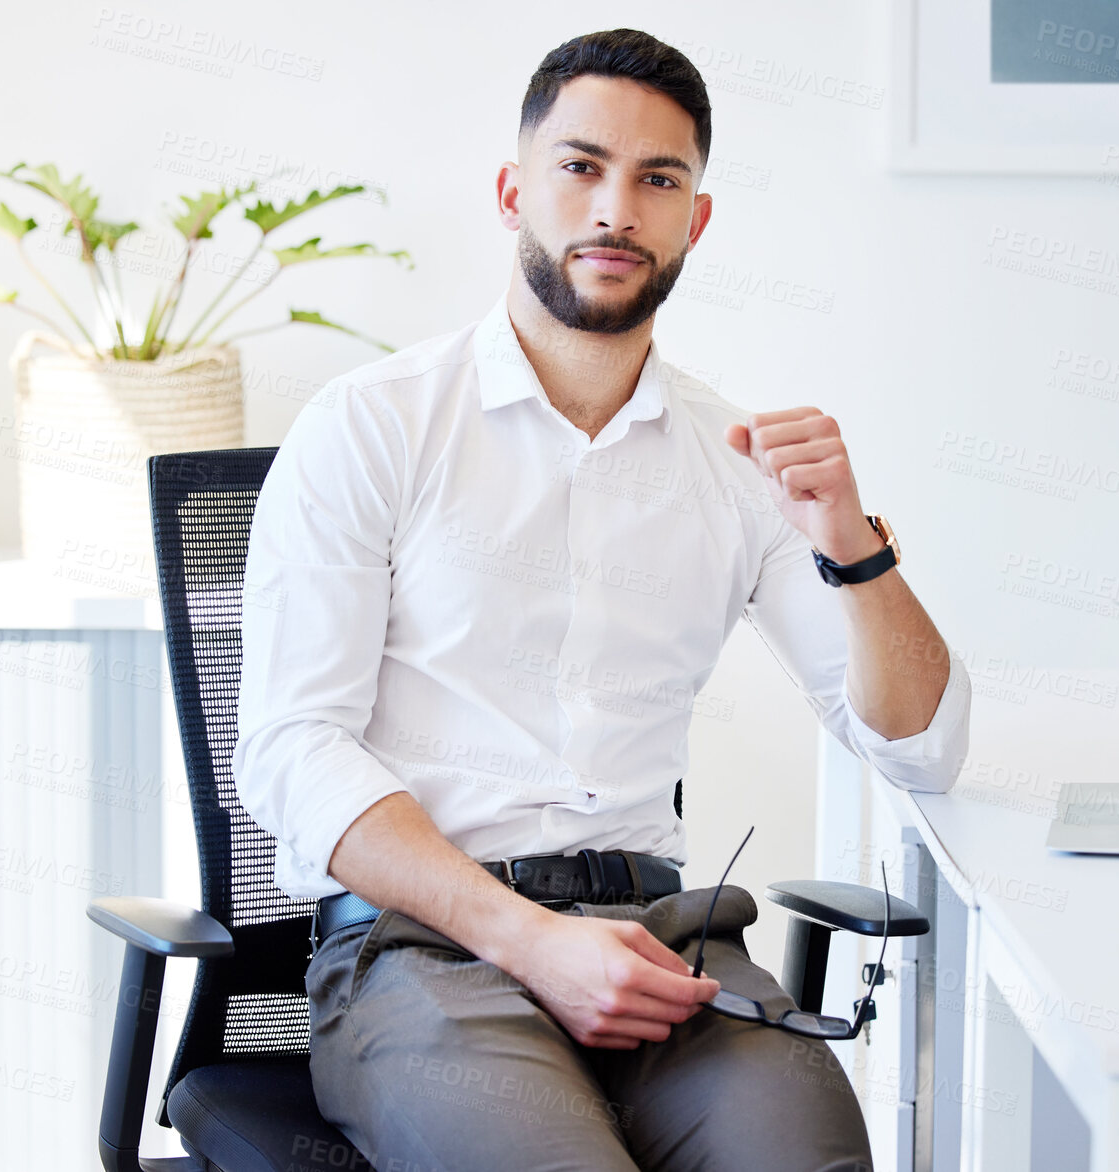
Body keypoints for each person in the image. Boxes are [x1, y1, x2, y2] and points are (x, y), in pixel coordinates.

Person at [235, 27, 970, 1172]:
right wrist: (529, 941)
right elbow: (290, 749)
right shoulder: (371, 424)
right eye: (579, 166)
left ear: (695, 218)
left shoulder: (735, 465)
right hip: (425, 950)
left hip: (661, 944)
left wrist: (852, 548)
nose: (614, 207)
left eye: (656, 178)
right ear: (511, 190)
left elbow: (919, 747)